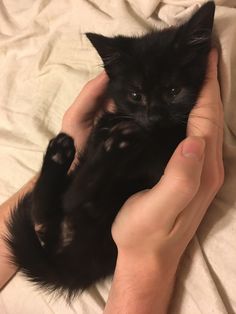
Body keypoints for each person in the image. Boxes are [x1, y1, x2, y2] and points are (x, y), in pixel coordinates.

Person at [0, 49, 223, 314]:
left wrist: (75, 156)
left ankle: (53, 188)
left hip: (78, 215)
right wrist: (144, 265)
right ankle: (61, 185)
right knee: (84, 205)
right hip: (93, 242)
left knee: (67, 205)